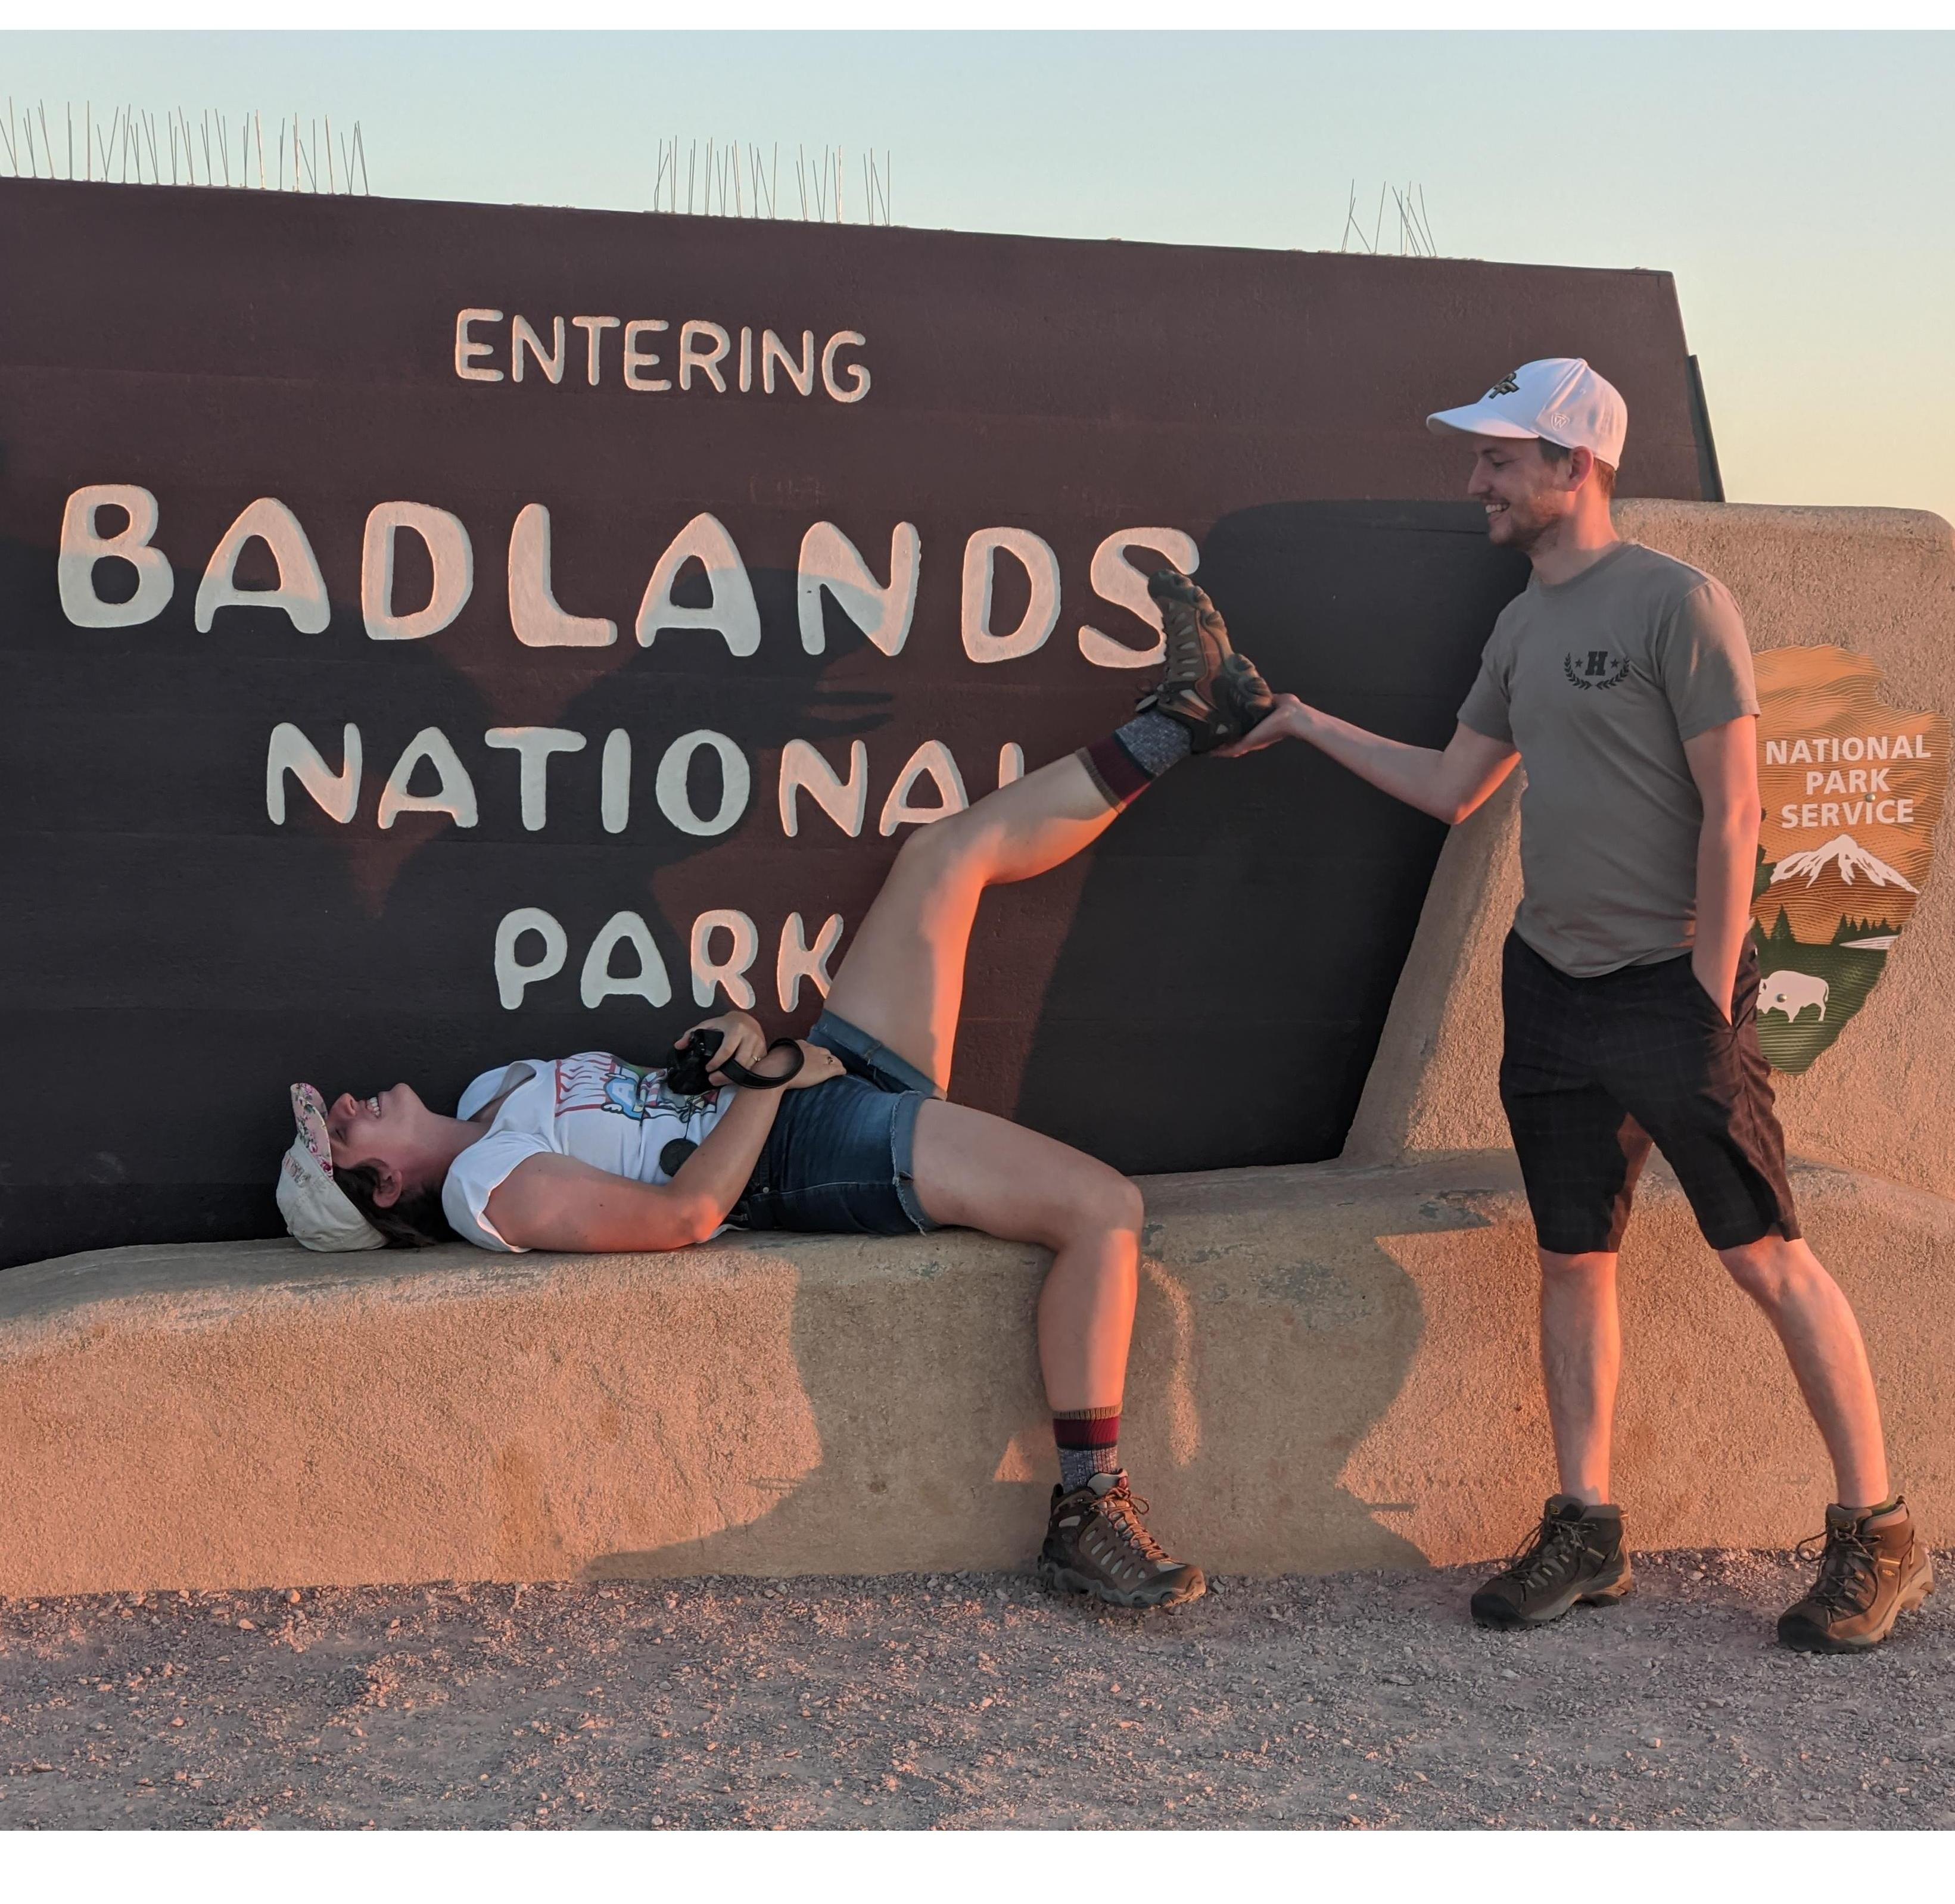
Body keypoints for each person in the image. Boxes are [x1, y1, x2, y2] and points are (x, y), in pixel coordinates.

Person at [275, 583, 1275, 1612]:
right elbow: (684, 1214)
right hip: (810, 1151)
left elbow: (661, 1123)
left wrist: (737, 1045)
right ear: (381, 1183)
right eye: (339, 1127)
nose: (349, 1101)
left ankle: (1183, 722)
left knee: (941, 856)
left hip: (807, 1091)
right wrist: (771, 1075)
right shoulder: (485, 1190)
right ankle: (1088, 1508)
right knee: (1101, 1207)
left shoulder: (498, 1090)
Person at [1222, 357, 1932, 1653]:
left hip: (1675, 991)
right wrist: (1307, 721)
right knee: (1572, 1255)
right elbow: (1454, 787)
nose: (1476, 480)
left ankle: (1876, 1529)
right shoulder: (1520, 625)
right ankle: (1589, 1527)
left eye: (1499, 458)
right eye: (1482, 457)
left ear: (1575, 465)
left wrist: (1710, 1001)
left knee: (1765, 1253)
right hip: (1549, 987)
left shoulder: (1679, 603)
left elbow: (1737, 815)